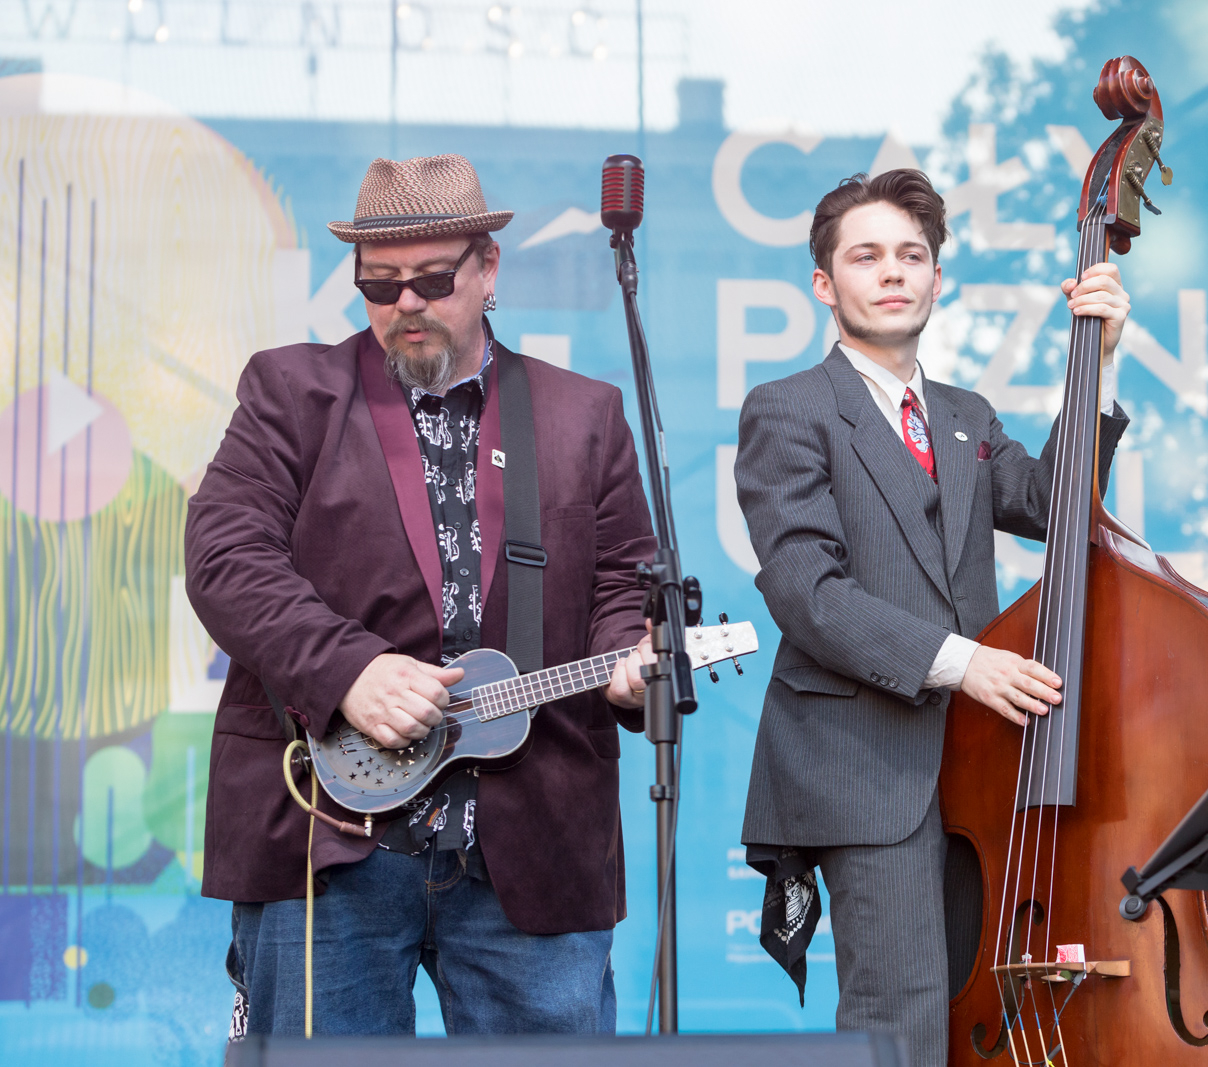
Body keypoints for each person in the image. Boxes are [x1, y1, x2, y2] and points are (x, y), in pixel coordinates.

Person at [185, 153, 658, 1036]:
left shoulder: (581, 413)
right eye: (379, 283)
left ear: (488, 269)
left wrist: (632, 654)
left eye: (433, 279)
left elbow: (626, 581)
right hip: (328, 835)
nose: (405, 303)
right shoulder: (291, 392)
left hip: (535, 836)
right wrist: (348, 671)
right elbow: (222, 553)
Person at [735, 169, 1131, 1065]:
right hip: (868, 770)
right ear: (823, 285)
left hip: (980, 763)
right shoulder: (789, 410)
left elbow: (1056, 505)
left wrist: (1099, 363)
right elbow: (807, 592)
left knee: (986, 997)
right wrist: (965, 662)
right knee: (902, 1012)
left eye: (912, 255)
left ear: (938, 280)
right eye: (866, 255)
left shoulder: (965, 414)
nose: (893, 272)